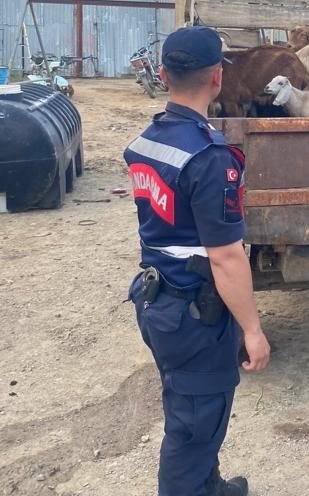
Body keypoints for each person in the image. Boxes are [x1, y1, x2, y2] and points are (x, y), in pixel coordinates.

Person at [125, 26, 271, 496]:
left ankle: (210, 486)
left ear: (164, 74)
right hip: (193, 311)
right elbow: (227, 256)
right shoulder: (210, 157)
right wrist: (252, 330)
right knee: (192, 428)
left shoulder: (147, 141)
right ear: (217, 79)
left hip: (158, 298)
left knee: (195, 410)